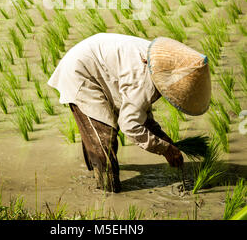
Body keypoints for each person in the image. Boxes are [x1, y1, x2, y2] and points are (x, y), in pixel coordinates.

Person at [47, 33, 211, 193]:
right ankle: (107, 191)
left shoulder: (160, 64)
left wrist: (165, 140)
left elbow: (141, 114)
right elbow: (129, 125)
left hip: (94, 59)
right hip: (80, 71)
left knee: (98, 131)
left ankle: (93, 169)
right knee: (104, 135)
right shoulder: (144, 79)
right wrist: (165, 149)